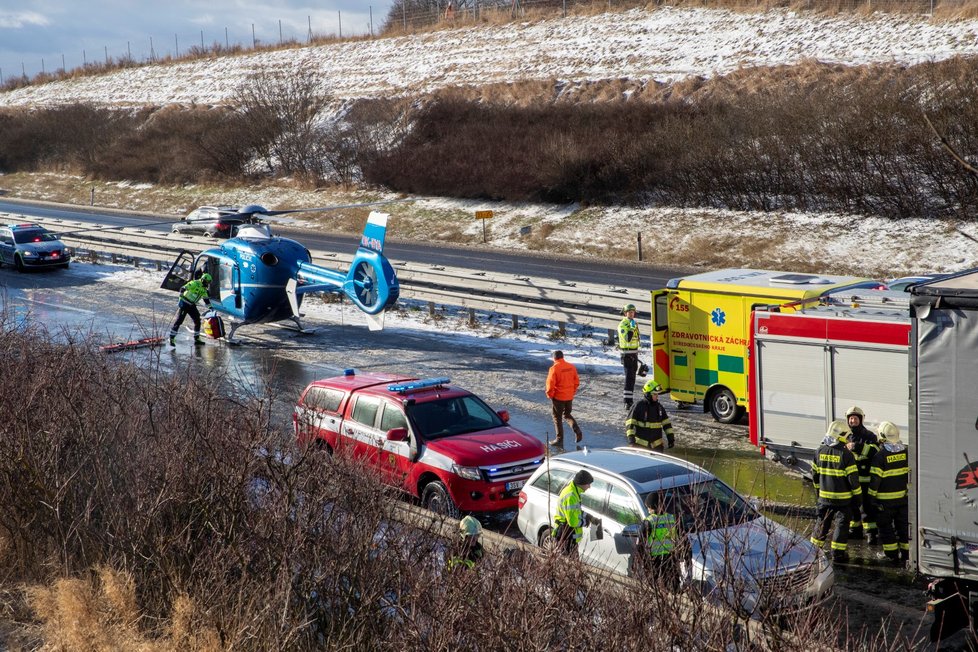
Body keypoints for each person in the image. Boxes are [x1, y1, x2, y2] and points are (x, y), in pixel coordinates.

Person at [811, 420, 862, 563]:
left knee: (822, 523)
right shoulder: (846, 455)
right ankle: (838, 554)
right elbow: (854, 481)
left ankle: (814, 551)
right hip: (843, 500)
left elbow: (815, 477)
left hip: (824, 499)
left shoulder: (819, 451)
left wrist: (818, 493)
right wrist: (858, 498)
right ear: (841, 435)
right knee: (841, 526)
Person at [869, 421, 910, 566]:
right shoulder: (906, 452)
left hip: (884, 502)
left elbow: (875, 480)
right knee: (904, 527)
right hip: (903, 499)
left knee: (886, 529)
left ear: (881, 436)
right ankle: (907, 554)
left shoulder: (880, 456)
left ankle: (891, 555)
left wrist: (871, 497)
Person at [845, 406, 880, 543]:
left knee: (867, 507)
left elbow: (875, 451)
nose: (853, 420)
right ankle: (855, 531)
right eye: (851, 418)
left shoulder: (869, 436)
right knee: (853, 506)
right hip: (851, 479)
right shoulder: (846, 436)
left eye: (855, 418)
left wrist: (856, 447)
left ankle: (871, 533)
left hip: (865, 478)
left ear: (861, 419)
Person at [632, 492, 680, 589]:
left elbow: (640, 544)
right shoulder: (672, 519)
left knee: (655, 589)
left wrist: (640, 561)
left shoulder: (648, 522)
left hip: (654, 561)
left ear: (650, 506)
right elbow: (681, 539)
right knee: (673, 588)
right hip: (671, 559)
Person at [552, 469, 597, 556]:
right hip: (566, 535)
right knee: (568, 565)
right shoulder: (571, 496)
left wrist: (588, 516)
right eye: (588, 484)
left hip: (567, 534)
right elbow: (573, 522)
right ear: (582, 483)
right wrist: (585, 522)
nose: (589, 487)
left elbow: (575, 511)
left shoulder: (574, 490)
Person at [545, 350, 583, 451]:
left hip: (558, 397)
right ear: (562, 357)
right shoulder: (571, 367)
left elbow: (550, 385)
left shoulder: (554, 368)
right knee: (567, 414)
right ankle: (577, 430)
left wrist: (550, 395)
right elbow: (576, 382)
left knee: (557, 417)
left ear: (554, 358)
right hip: (569, 396)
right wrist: (572, 392)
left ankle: (559, 439)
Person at [625, 380, 675, 452]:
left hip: (657, 448)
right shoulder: (638, 406)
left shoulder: (659, 407)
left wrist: (671, 439)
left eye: (657, 394)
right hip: (641, 447)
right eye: (655, 394)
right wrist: (631, 441)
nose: (657, 396)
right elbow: (630, 425)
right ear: (648, 394)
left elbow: (667, 424)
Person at [169, 272, 213, 346]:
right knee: (179, 321)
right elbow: (184, 287)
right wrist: (182, 292)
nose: (207, 284)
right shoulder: (195, 283)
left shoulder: (204, 289)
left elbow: (206, 300)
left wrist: (211, 307)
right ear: (203, 280)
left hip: (191, 305)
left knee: (197, 320)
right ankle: (172, 338)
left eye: (208, 283)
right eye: (207, 282)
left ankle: (197, 338)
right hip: (184, 303)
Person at [618, 303, 641, 409]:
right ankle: (627, 402)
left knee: (632, 378)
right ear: (625, 313)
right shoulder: (623, 324)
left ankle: (630, 400)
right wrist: (631, 328)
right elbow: (627, 338)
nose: (632, 314)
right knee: (629, 378)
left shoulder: (633, 323)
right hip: (627, 355)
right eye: (630, 312)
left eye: (633, 312)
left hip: (633, 353)